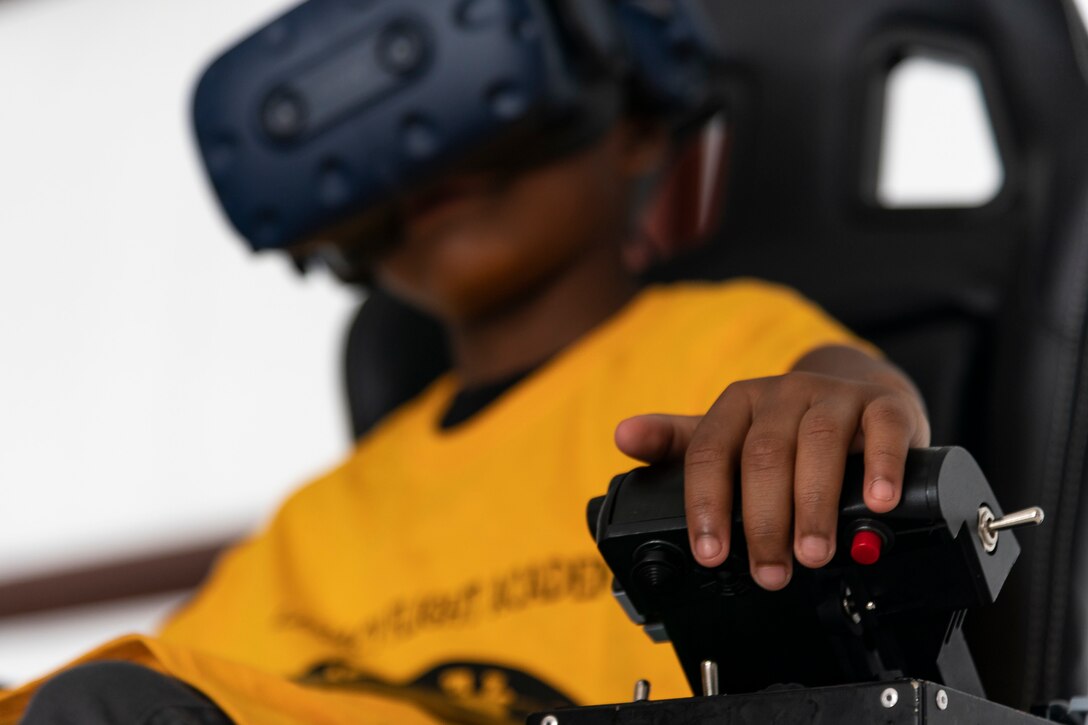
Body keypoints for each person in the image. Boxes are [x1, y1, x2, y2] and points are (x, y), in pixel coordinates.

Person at [2, 26, 930, 725]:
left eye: (487, 105)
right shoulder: (318, 524)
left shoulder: (721, 346)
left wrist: (836, 413)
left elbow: (851, 397)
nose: (429, 159)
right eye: (374, 141)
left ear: (638, 127)